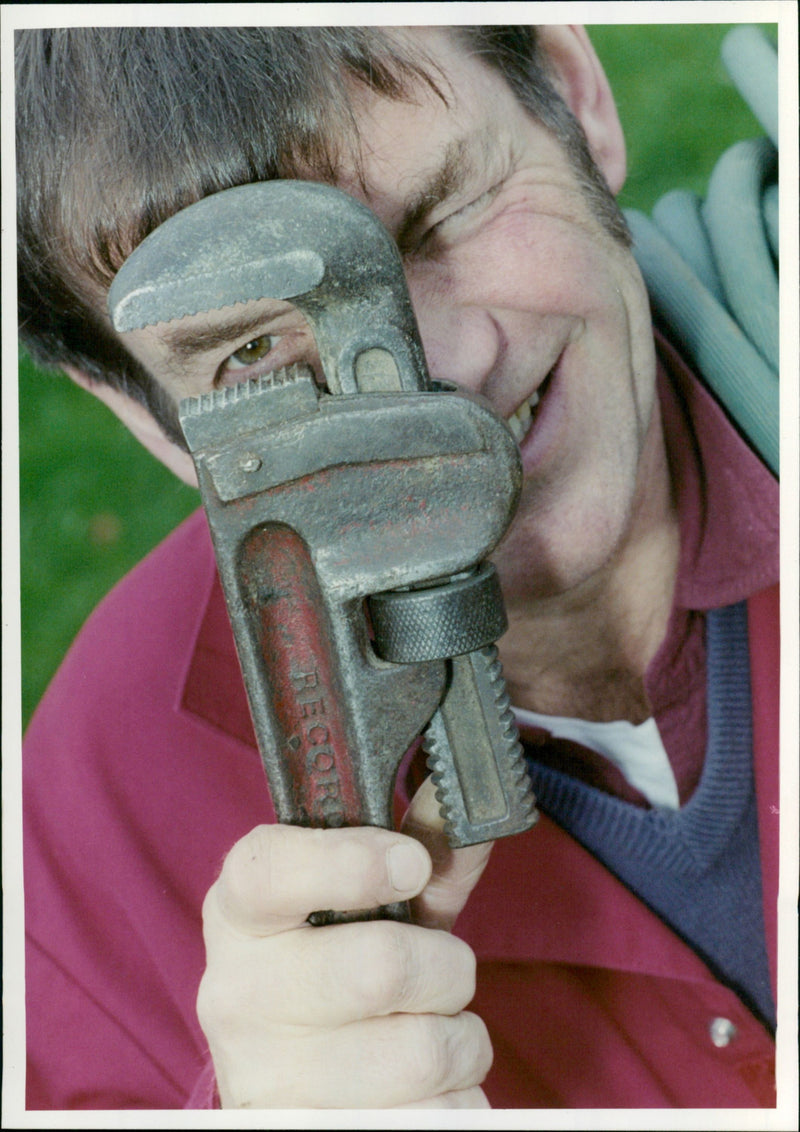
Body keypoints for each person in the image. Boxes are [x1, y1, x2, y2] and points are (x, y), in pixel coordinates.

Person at [17, 24, 779, 1110]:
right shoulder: (81, 866)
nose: (448, 375)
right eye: (252, 350)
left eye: (447, 210)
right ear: (143, 412)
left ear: (574, 97)